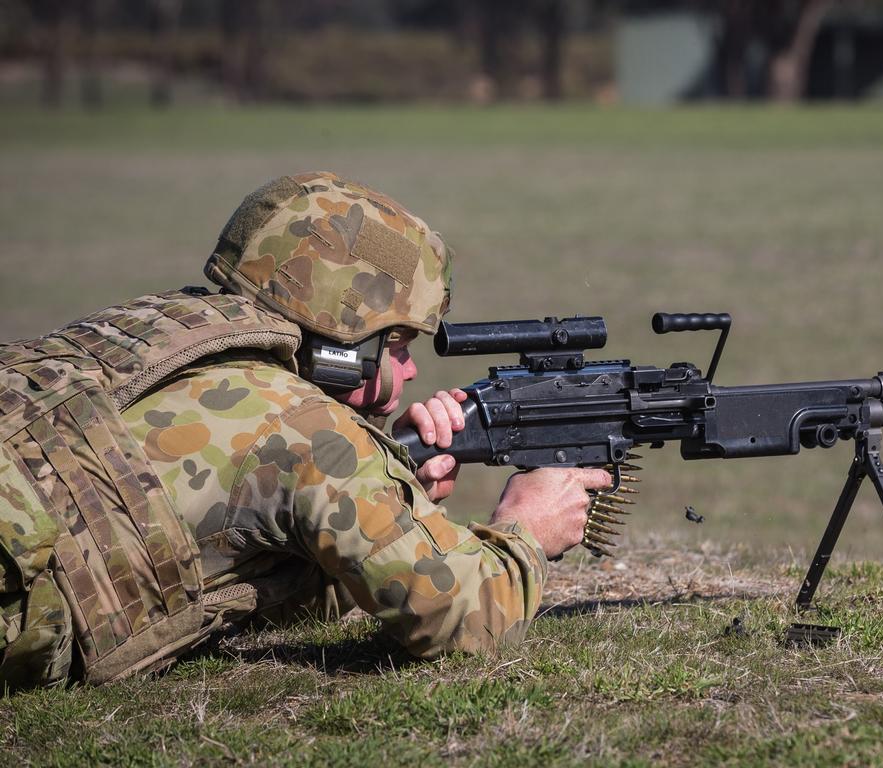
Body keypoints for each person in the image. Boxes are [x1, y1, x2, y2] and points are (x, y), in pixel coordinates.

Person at [0, 172, 609, 689]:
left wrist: (392, 483)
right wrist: (525, 527)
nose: (410, 368)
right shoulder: (310, 432)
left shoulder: (160, 323)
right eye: (396, 344)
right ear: (346, 343)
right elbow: (467, 617)